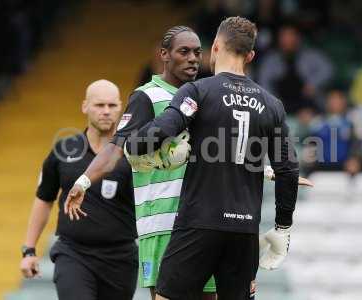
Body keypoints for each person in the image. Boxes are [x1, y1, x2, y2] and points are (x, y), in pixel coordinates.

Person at [107, 16, 299, 299]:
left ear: (216, 48)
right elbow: (288, 170)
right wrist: (282, 228)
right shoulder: (272, 105)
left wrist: (134, 149)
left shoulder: (198, 91)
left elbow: (162, 130)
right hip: (244, 229)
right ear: (251, 55)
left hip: (198, 224)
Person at [64, 26, 218, 299]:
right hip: (161, 224)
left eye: (197, 52)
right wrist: (84, 181)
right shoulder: (146, 96)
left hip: (202, 223)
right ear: (164, 55)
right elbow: (116, 148)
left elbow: (218, 157)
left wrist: (268, 172)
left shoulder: (204, 97)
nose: (193, 58)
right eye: (184, 52)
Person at [19, 80, 138, 300]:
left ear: (121, 107)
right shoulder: (63, 150)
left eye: (112, 106)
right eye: (99, 105)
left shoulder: (134, 153)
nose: (106, 112)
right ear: (85, 106)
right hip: (73, 254)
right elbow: (44, 199)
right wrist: (29, 249)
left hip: (121, 258)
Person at [257, 24, 333, 115]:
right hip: (280, 104)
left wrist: (313, 84)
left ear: (298, 38)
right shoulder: (271, 59)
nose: (288, 40)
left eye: (291, 35)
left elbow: (328, 70)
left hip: (308, 103)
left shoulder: (311, 55)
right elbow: (263, 83)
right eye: (284, 36)